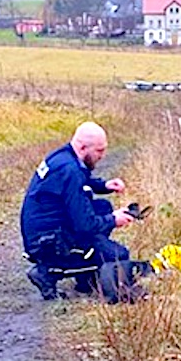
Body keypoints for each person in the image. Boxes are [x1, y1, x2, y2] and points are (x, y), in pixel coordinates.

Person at [20, 121, 148, 302]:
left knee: (103, 206)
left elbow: (82, 181)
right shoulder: (71, 171)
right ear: (82, 147)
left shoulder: (63, 157)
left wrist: (104, 186)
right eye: (99, 151)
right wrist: (114, 220)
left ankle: (85, 279)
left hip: (42, 232)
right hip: (48, 243)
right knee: (118, 256)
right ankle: (48, 272)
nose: (103, 156)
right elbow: (85, 225)